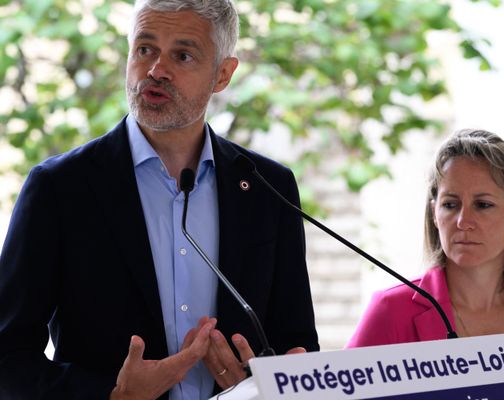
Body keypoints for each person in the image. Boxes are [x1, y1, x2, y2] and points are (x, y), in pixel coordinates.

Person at [0, 0, 319, 399]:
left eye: (182, 55)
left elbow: (299, 347)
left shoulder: (268, 187)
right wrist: (111, 396)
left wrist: (259, 387)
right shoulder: (59, 187)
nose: (155, 70)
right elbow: (8, 356)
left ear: (222, 74)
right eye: (144, 49)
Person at [346, 129, 504, 400]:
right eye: (451, 204)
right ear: (434, 213)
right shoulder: (391, 310)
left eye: (483, 205)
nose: (463, 221)